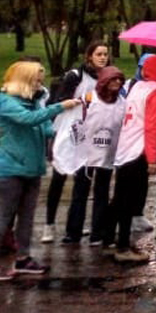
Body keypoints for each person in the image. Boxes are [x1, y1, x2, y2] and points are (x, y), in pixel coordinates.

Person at [0, 61, 80, 280]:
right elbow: (28, 120)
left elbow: (45, 128)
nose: (40, 84)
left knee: (26, 218)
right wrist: (60, 106)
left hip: (33, 169)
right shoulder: (5, 101)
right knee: (4, 218)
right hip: (10, 171)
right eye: (37, 80)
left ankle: (23, 258)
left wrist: (71, 131)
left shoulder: (35, 102)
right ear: (25, 79)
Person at [43, 41, 111, 243]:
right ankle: (49, 224)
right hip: (68, 131)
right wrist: (80, 100)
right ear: (89, 56)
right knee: (59, 176)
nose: (102, 57)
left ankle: (75, 228)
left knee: (83, 180)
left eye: (105, 54)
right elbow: (58, 101)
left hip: (90, 135)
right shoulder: (75, 76)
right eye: (98, 54)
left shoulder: (107, 77)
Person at [109, 54, 156, 262]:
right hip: (139, 150)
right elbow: (153, 126)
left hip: (125, 148)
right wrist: (153, 159)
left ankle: (109, 239)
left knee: (119, 198)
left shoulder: (137, 86)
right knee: (128, 200)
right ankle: (123, 247)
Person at [63, 66, 126, 246]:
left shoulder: (122, 103)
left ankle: (97, 232)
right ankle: (73, 232)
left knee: (102, 193)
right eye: (113, 79)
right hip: (85, 154)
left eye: (120, 80)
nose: (117, 83)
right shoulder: (90, 99)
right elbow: (75, 121)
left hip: (107, 154)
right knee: (80, 192)